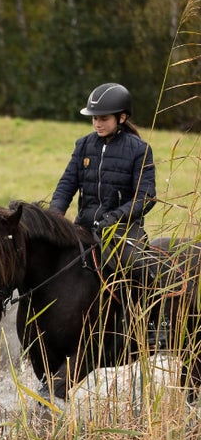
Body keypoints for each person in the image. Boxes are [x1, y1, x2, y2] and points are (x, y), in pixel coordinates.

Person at [48, 82, 165, 345]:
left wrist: (117, 216)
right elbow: (67, 185)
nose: (97, 124)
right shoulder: (83, 146)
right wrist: (55, 215)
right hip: (86, 226)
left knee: (137, 264)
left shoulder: (139, 150)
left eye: (103, 118)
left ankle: (156, 324)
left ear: (121, 118)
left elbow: (146, 196)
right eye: (94, 119)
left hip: (123, 229)